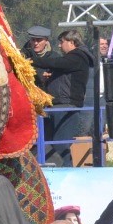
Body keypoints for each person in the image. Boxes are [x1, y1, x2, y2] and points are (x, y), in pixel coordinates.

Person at [30, 29, 95, 166]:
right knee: (45, 141)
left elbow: (56, 63)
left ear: (71, 42)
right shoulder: (74, 59)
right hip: (58, 106)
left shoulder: (78, 56)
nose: (59, 46)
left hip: (66, 106)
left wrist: (33, 60)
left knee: (61, 144)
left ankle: (67, 171)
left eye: (62, 42)